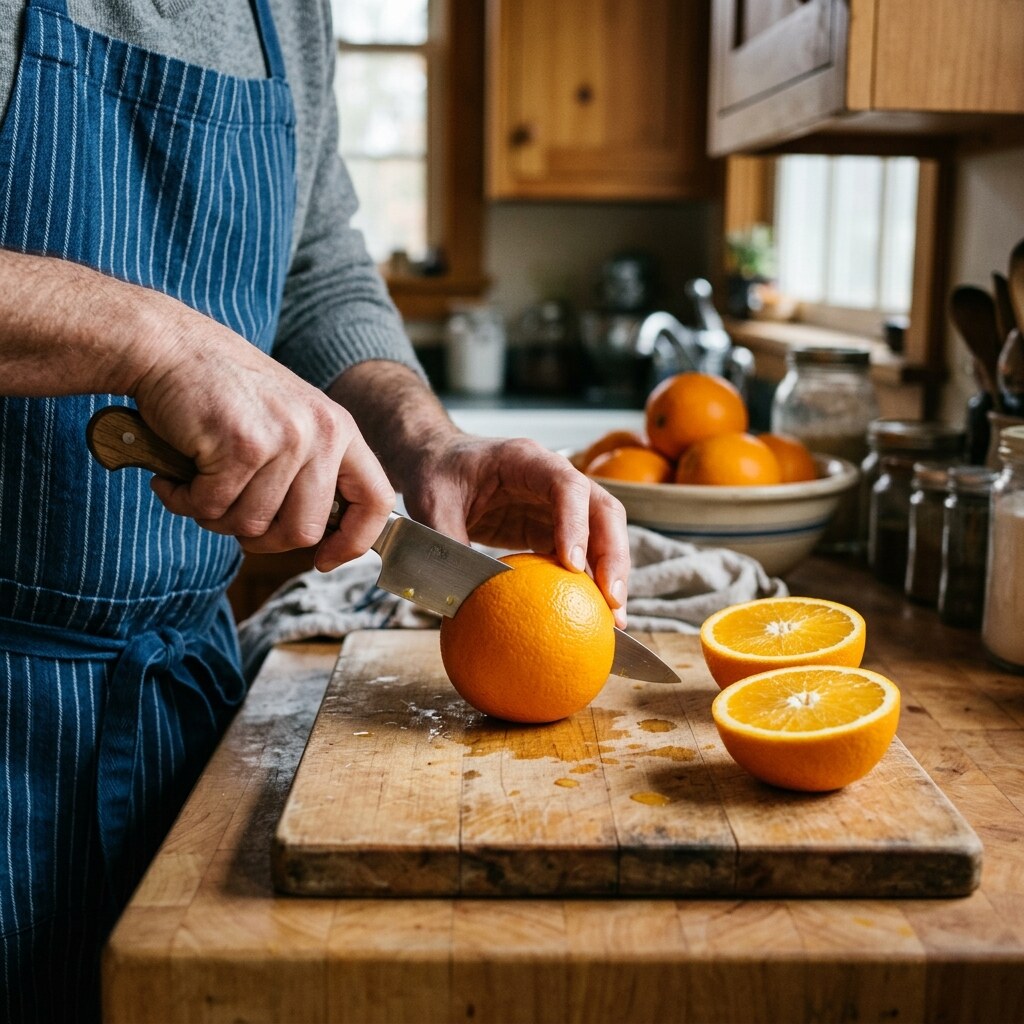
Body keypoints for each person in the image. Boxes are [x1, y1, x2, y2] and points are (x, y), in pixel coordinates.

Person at [0, 0, 630, 1020]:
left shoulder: (287, 12)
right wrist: (150, 337)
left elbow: (317, 269)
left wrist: (425, 440)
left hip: (174, 712)